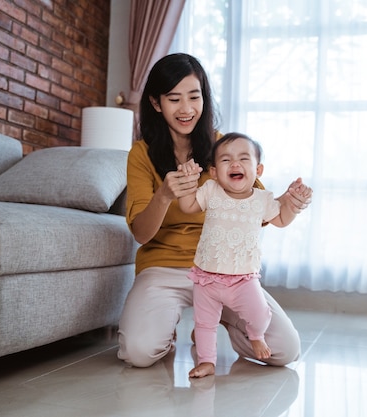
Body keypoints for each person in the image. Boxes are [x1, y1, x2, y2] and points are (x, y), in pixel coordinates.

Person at [117, 53, 312, 376]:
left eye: (194, 96)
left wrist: (291, 201)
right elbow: (141, 233)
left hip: (228, 271)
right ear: (155, 103)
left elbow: (261, 208)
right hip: (164, 267)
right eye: (174, 98)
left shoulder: (223, 147)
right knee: (138, 352)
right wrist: (165, 195)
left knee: (284, 349)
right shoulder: (141, 154)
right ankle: (171, 330)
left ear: (204, 98)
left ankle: (211, 321)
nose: (186, 109)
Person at [176, 133, 312, 377]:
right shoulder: (210, 190)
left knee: (259, 313)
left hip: (243, 280)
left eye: (243, 159)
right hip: (207, 277)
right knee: (204, 323)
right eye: (226, 160)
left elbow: (281, 219)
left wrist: (292, 205)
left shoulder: (263, 199)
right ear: (215, 172)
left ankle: (256, 336)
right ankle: (207, 361)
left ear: (258, 169)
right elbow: (187, 206)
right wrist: (187, 183)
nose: (235, 164)